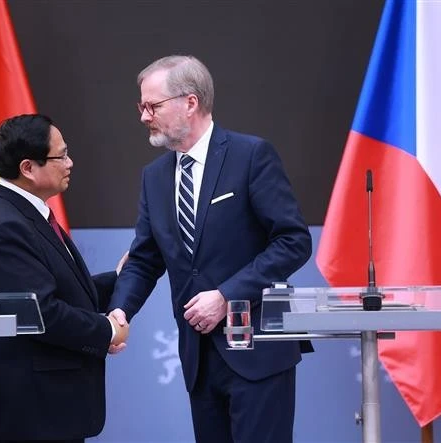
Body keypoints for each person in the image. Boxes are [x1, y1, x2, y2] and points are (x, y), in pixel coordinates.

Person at [108, 55, 312, 443]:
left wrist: (227, 295)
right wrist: (120, 310)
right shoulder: (154, 177)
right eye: (142, 106)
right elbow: (145, 258)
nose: (144, 116)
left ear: (190, 102)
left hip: (257, 351)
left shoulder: (250, 156)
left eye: (152, 106)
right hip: (199, 357)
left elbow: (293, 241)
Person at [0, 113, 128, 443]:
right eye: (61, 155)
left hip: (46, 411)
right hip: (27, 414)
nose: (70, 163)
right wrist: (108, 329)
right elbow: (43, 313)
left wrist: (118, 279)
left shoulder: (23, 212)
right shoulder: (7, 225)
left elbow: (60, 294)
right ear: (28, 168)